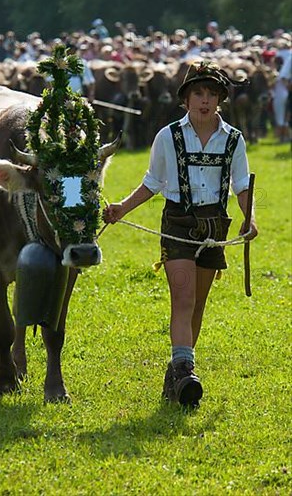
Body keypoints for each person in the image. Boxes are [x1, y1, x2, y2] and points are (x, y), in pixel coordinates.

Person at [103, 61, 258, 408]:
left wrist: (250, 220)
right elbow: (152, 183)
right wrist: (121, 209)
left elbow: (242, 184)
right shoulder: (168, 137)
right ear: (186, 99)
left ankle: (178, 370)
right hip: (178, 225)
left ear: (220, 99)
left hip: (215, 227)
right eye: (198, 94)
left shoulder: (234, 140)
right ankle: (187, 371)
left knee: (198, 305)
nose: (205, 101)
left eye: (212, 95)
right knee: (184, 300)